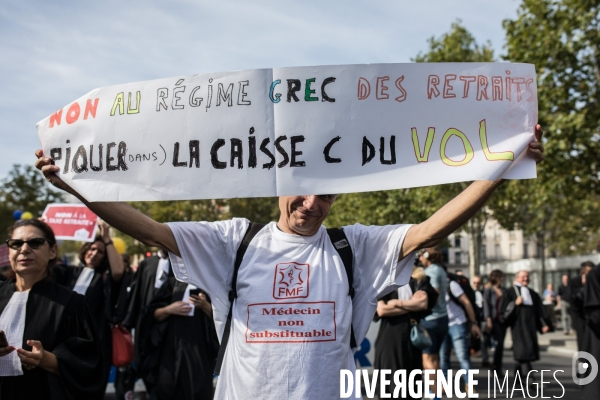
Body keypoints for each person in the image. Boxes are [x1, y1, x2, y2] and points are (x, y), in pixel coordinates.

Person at [34, 125, 544, 399]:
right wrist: (76, 184)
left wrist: (501, 168)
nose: (311, 204)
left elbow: (435, 227)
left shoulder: (354, 247)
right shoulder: (233, 240)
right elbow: (145, 228)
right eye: (301, 192)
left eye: (325, 197)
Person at [0, 219, 104, 399]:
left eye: (35, 242)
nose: (24, 249)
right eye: (16, 244)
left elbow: (89, 366)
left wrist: (47, 359)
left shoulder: (72, 304)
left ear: (52, 251)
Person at [51, 220, 124, 389]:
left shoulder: (104, 279)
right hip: (63, 341)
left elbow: (119, 271)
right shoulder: (68, 273)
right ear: (85, 250)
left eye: (100, 251)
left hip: (94, 343)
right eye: (92, 248)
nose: (94, 253)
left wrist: (107, 238)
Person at [142, 276, 219, 400]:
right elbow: (152, 315)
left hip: (200, 353)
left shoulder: (210, 284)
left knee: (198, 390)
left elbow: (226, 321)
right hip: (171, 351)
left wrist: (205, 306)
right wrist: (169, 309)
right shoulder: (173, 283)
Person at [374, 266, 436, 399]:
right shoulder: (382, 279)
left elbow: (423, 304)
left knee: (412, 384)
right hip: (390, 339)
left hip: (411, 338)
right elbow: (382, 310)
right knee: (390, 384)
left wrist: (397, 303)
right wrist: (411, 305)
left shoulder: (419, 279)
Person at [499, 270, 549, 378]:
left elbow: (539, 310)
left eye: (527, 277)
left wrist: (543, 324)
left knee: (526, 351)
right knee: (522, 351)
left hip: (530, 326)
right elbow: (503, 311)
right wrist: (515, 304)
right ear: (517, 278)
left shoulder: (532, 293)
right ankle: (529, 377)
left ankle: (518, 377)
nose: (525, 279)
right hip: (518, 326)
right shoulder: (510, 292)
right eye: (523, 277)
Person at [440, 273, 481, 394]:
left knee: (462, 356)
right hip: (442, 324)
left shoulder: (451, 284)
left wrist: (473, 323)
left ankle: (470, 385)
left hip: (457, 323)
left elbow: (466, 302)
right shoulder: (432, 284)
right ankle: (444, 384)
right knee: (443, 357)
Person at [418, 247, 448, 397]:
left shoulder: (432, 271)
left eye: (421, 256)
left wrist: (421, 305)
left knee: (427, 360)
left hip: (431, 318)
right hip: (442, 318)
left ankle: (434, 394)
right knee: (435, 358)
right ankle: (436, 392)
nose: (419, 259)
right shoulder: (441, 270)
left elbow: (434, 291)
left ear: (427, 256)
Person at [483, 269, 507, 373]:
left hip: (503, 320)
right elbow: (486, 306)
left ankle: (497, 365)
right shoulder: (489, 291)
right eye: (500, 277)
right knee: (499, 342)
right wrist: (488, 319)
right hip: (493, 319)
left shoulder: (505, 290)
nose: (502, 279)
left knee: (500, 344)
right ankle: (496, 366)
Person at [570, 261, 595, 351]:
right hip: (580, 316)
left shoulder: (595, 280)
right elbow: (573, 299)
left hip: (593, 316)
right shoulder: (574, 281)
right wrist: (584, 287)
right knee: (583, 341)